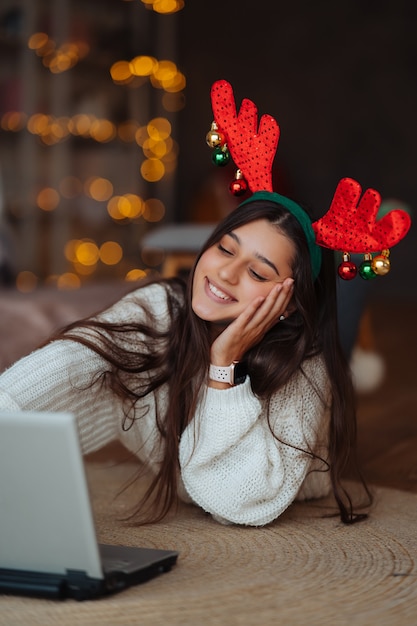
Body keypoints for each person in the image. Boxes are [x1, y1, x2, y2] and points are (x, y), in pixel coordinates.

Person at [0, 79, 410, 527]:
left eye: (257, 272)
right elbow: (66, 364)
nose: (226, 274)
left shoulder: (303, 367)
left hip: (300, 349)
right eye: (224, 249)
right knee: (98, 361)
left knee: (338, 330)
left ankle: (352, 278)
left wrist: (224, 364)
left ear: (286, 299)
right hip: (260, 332)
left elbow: (234, 501)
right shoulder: (158, 306)